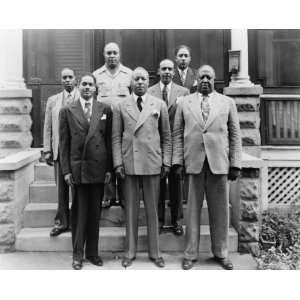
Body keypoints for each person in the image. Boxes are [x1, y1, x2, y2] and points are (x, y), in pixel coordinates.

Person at [172, 65, 242, 270]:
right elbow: (177, 134)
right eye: (201, 76)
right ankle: (190, 254)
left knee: (220, 211)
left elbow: (235, 135)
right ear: (197, 80)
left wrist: (236, 163)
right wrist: (177, 161)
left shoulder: (227, 102)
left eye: (208, 77)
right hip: (193, 163)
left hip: (219, 164)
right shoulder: (185, 102)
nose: (204, 80)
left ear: (214, 80)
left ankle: (221, 252)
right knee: (192, 211)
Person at [112, 67, 172, 268]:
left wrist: (166, 162)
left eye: (143, 79)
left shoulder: (159, 104)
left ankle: (155, 252)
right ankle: (129, 252)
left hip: (153, 163)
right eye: (136, 79)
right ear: (131, 82)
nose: (139, 82)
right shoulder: (121, 106)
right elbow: (115, 138)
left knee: (153, 210)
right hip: (129, 163)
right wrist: (117, 162)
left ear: (148, 82)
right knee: (130, 210)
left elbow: (167, 137)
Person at [59, 73, 113, 270]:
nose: (87, 87)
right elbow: (63, 144)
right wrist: (66, 170)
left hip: (98, 168)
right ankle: (77, 255)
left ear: (96, 88)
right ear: (78, 86)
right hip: (78, 168)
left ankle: (93, 253)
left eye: (91, 84)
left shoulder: (105, 109)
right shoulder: (67, 110)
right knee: (79, 214)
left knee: (94, 214)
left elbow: (108, 141)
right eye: (84, 84)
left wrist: (109, 169)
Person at [148, 59, 189, 236]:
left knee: (176, 183)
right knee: (158, 185)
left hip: (177, 142)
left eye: (169, 69)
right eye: (163, 68)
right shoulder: (149, 92)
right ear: (158, 71)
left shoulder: (184, 92)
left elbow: (188, 119)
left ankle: (177, 221)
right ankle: (158, 221)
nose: (166, 71)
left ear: (174, 72)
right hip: (156, 144)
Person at [93, 42, 132, 208]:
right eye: (109, 52)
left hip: (124, 122)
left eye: (115, 52)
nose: (112, 56)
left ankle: (124, 196)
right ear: (104, 54)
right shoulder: (96, 75)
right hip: (104, 122)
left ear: (120, 54)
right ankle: (109, 195)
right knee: (107, 156)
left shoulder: (129, 74)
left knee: (123, 155)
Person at [43, 68, 80, 237]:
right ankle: (62, 222)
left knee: (78, 189)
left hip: (78, 153)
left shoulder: (84, 97)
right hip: (59, 151)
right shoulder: (53, 100)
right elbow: (48, 127)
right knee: (62, 190)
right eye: (64, 77)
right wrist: (47, 150)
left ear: (75, 79)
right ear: (61, 80)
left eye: (70, 77)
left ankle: (77, 221)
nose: (67, 80)